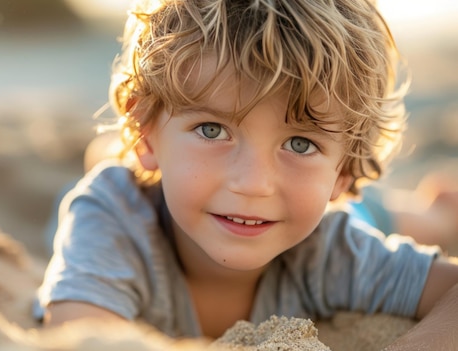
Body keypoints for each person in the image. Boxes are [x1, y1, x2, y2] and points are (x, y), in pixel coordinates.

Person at [35, 0, 458, 348]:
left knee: (397, 218)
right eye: (212, 129)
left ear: (344, 170)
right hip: (154, 188)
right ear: (145, 134)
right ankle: (119, 153)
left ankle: (439, 210)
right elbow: (78, 336)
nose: (253, 183)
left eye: (299, 143)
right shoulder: (113, 221)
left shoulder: (334, 252)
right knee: (105, 176)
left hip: (350, 214)